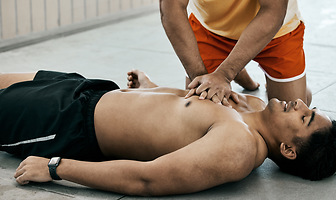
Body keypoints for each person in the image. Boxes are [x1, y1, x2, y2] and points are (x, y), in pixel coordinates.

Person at [0, 69, 335, 196]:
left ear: (288, 150)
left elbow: (148, 179)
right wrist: (152, 89)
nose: (303, 106)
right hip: (90, 88)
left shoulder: (240, 147)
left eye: (306, 119)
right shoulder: (249, 105)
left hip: (67, 123)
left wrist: (56, 167)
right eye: (312, 110)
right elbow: (178, 118)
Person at [151, 0, 312, 107]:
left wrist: (225, 74)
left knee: (292, 116)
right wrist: (203, 81)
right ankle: (237, 70)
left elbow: (272, 13)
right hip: (210, 30)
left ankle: (235, 67)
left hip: (276, 35)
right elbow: (171, 10)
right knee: (201, 110)